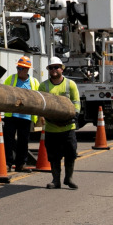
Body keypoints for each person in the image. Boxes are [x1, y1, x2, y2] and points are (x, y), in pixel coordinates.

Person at [38, 57, 81, 189]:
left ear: (62, 69)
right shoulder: (43, 86)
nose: (54, 70)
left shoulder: (70, 84)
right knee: (53, 156)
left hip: (68, 127)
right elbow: (40, 104)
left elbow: (76, 102)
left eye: (56, 67)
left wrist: (75, 115)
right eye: (51, 68)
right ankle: (55, 180)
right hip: (51, 128)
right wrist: (42, 116)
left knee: (71, 154)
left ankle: (68, 178)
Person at [2, 56, 39, 172]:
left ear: (27, 69)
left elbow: (38, 99)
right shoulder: (11, 79)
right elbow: (4, 93)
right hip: (11, 116)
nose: (19, 70)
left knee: (23, 142)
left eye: (22, 68)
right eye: (18, 68)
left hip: (26, 116)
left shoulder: (34, 82)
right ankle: (8, 163)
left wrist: (39, 116)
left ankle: (21, 164)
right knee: (8, 141)